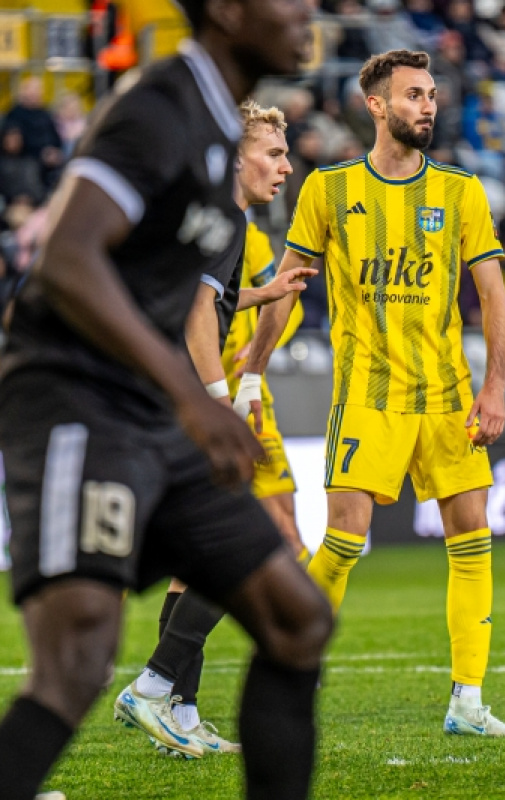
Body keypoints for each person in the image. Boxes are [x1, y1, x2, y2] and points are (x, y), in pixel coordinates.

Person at [0, 1, 334, 799]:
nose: (307, 13)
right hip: (77, 397)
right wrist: (198, 396)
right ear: (226, 11)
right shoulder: (161, 108)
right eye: (286, 1)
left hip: (154, 411)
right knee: (77, 657)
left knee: (297, 619)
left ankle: (164, 695)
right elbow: (67, 259)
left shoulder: (224, 138)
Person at [236, 48, 505, 738]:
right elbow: (288, 287)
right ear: (376, 105)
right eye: (413, 95)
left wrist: (493, 389)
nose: (427, 105)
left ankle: (468, 702)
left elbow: (492, 296)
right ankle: (285, 677)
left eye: (431, 95)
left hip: (448, 397)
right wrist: (251, 368)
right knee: (343, 540)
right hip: (367, 396)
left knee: (472, 538)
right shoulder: (328, 190)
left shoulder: (460, 190)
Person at [114, 99, 313, 756]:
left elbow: (212, 298)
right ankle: (151, 687)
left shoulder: (213, 215)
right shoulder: (227, 216)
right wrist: (219, 401)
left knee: (194, 562)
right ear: (238, 157)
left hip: (150, 394)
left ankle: (180, 710)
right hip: (180, 399)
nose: (286, 167)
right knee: (243, 550)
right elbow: (201, 314)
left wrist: (266, 291)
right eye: (274, 154)